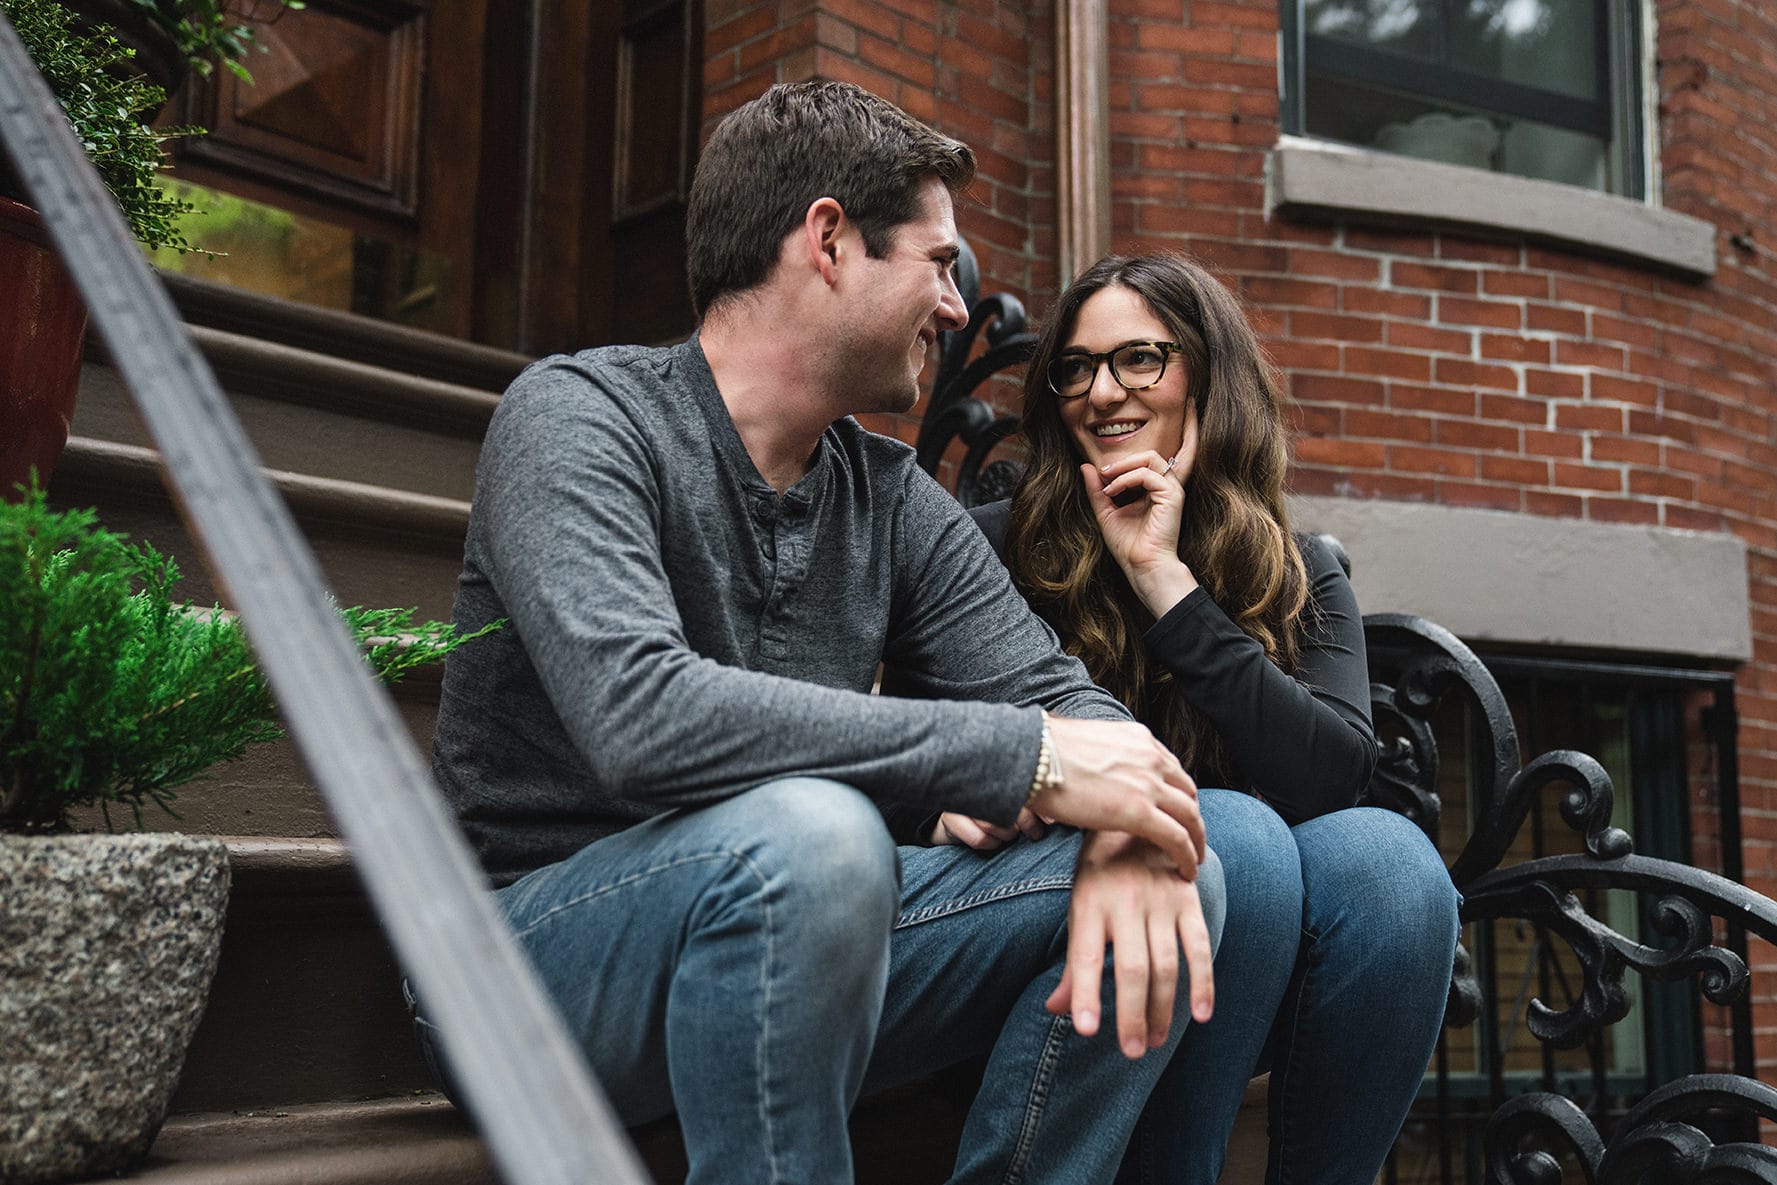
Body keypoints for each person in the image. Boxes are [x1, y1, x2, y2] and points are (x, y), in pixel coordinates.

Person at [421, 83, 1227, 1185]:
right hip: (525, 968)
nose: (956, 306)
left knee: (1184, 871)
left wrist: (1125, 819)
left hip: (806, 928)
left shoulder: (889, 496)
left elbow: (1071, 706)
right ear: (830, 240)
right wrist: (1017, 759)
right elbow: (641, 717)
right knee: (815, 837)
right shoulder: (581, 417)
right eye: (937, 263)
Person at [951, 252, 1460, 1185]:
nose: (1102, 391)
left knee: (1392, 864)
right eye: (1076, 367)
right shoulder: (996, 546)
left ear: (1208, 379)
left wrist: (1163, 581)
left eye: (1138, 359)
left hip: (1266, 956)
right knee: (1237, 836)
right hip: (1073, 934)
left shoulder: (1296, 569)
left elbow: (1330, 778)